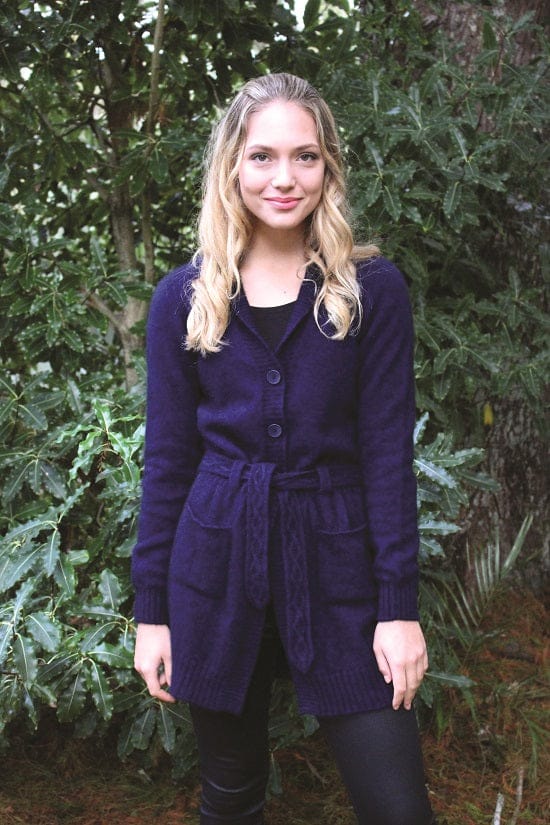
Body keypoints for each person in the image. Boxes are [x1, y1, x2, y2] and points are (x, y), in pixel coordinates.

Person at [132, 72, 436, 825]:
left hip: (341, 570)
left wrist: (398, 609)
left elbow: (387, 457)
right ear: (232, 166)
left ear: (328, 166)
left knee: (397, 807)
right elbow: (167, 464)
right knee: (231, 797)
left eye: (305, 156)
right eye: (262, 156)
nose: (284, 177)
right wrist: (152, 613)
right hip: (214, 568)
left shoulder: (370, 290)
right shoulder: (185, 298)